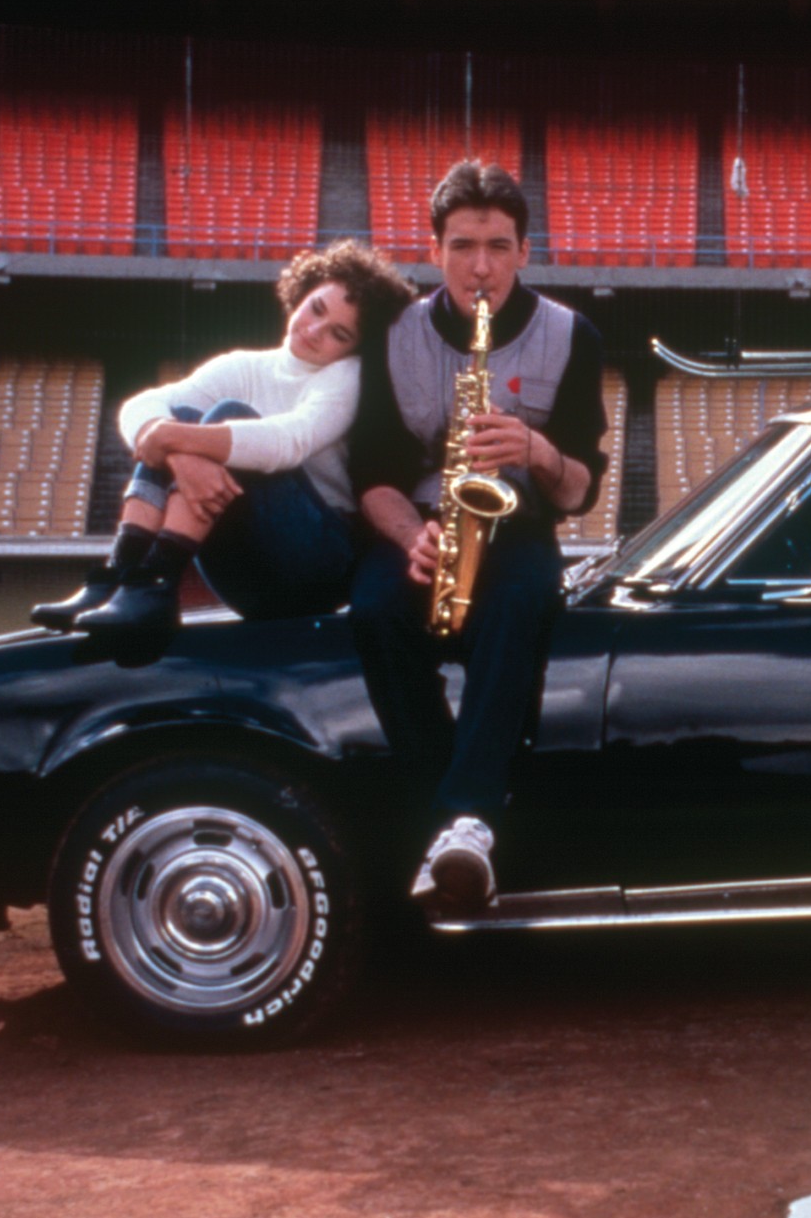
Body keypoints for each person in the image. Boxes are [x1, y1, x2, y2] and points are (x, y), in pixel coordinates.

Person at [347, 159, 607, 912]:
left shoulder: (571, 334)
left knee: (519, 607)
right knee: (373, 612)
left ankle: (465, 818)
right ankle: (448, 817)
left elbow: (582, 485)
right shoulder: (394, 334)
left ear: (525, 251)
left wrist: (535, 450)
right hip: (419, 521)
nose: (481, 267)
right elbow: (372, 470)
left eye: (498, 246)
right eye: (463, 246)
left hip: (518, 523)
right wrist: (410, 540)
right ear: (436, 250)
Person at [33, 240, 413, 634]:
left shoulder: (348, 375)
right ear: (301, 293)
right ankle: (119, 578)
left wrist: (172, 439)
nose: (315, 331)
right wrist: (176, 450)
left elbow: (288, 442)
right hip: (245, 575)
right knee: (178, 416)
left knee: (223, 418)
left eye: (339, 333)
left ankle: (154, 582)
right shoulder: (242, 365)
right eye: (316, 308)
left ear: (354, 347)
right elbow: (141, 405)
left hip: (317, 566)